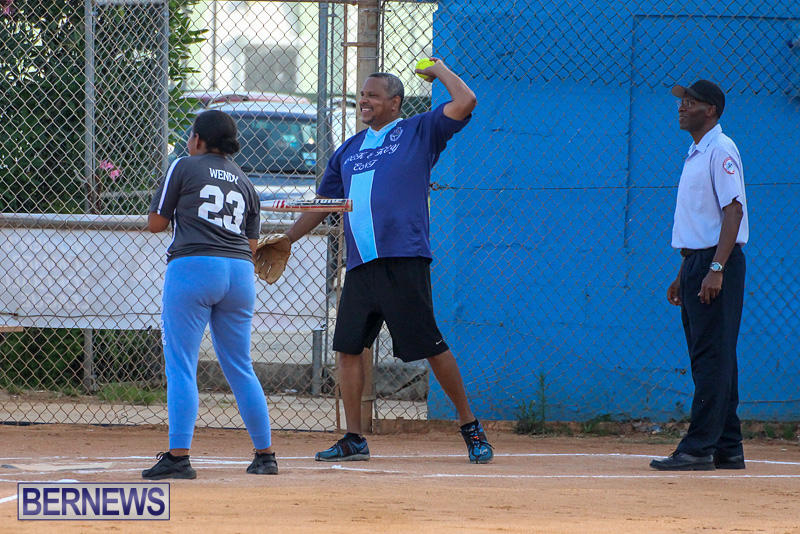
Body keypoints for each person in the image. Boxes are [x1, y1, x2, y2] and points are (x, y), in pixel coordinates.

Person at [267, 59, 493, 464]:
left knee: (431, 346)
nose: (364, 101)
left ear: (395, 102)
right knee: (348, 348)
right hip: (360, 265)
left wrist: (440, 70)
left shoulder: (418, 131)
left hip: (403, 258)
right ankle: (354, 438)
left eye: (373, 95)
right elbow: (324, 203)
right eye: (362, 95)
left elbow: (466, 101)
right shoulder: (349, 150)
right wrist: (288, 238)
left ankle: (469, 426)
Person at [142, 109, 278, 479]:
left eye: (192, 135)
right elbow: (252, 246)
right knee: (240, 365)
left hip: (194, 266)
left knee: (181, 363)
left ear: (199, 140)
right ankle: (265, 455)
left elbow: (156, 223)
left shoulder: (184, 165)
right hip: (239, 273)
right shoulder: (246, 182)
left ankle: (178, 457)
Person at [650, 80, 748, 471]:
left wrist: (716, 269)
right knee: (713, 355)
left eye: (691, 102)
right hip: (698, 262)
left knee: (710, 357)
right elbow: (702, 222)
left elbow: (733, 210)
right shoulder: (697, 152)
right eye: (682, 102)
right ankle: (728, 446)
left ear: (711, 110)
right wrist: (685, 271)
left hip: (716, 262)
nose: (682, 107)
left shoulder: (720, 149)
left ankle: (698, 447)